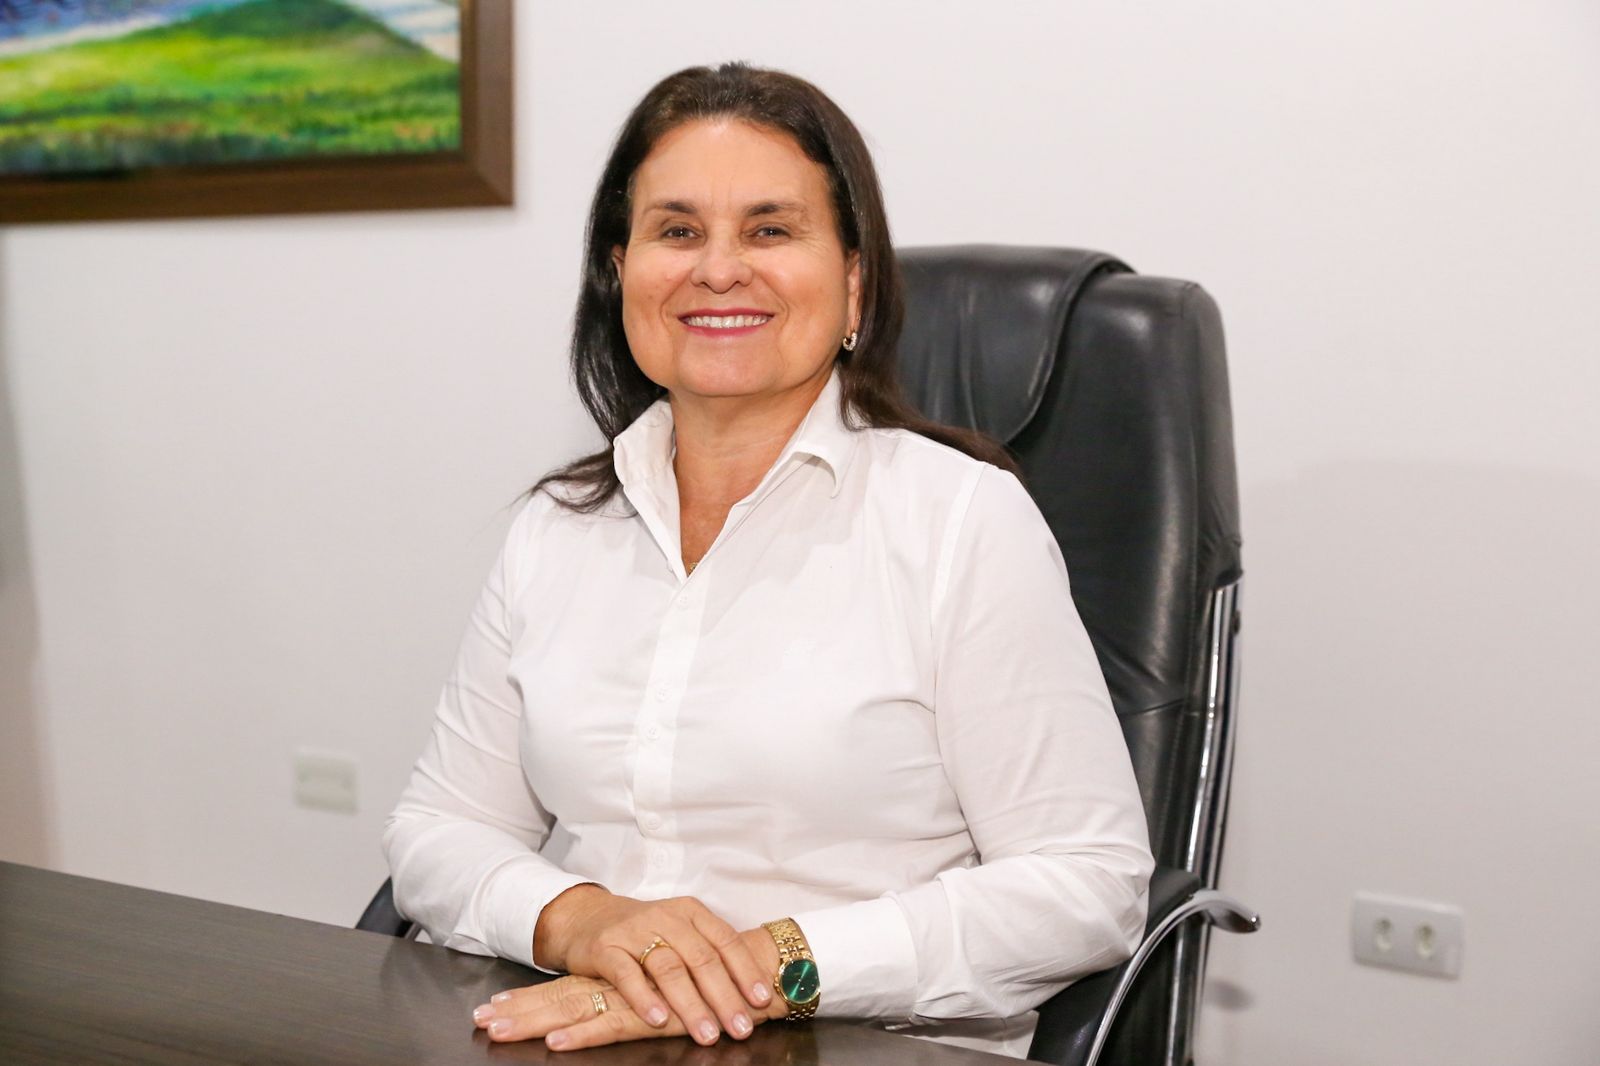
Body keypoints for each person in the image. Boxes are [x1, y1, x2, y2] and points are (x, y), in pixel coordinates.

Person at [382, 62, 1154, 1059]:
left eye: (770, 230)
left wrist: (763, 969)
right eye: (676, 231)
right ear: (620, 272)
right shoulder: (558, 527)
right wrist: (580, 919)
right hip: (582, 1034)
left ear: (854, 283)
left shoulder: (960, 519)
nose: (717, 270)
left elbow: (1086, 884)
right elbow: (437, 830)